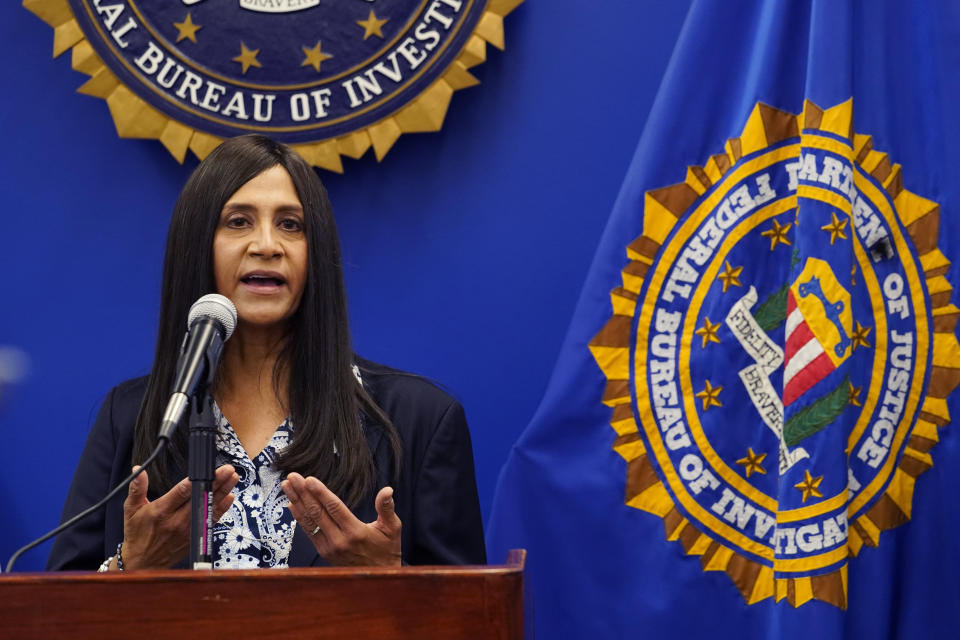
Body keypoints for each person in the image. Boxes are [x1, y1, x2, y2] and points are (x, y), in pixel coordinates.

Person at [47, 135, 486, 570]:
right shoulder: (131, 417)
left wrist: (393, 583)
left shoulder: (420, 419)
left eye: (291, 224)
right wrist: (132, 568)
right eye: (238, 221)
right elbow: (58, 618)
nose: (267, 245)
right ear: (197, 246)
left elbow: (475, 620)